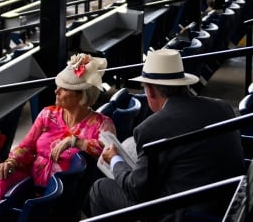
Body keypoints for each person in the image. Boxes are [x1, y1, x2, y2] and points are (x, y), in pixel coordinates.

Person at [88, 49, 244, 219]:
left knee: (100, 189)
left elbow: (136, 191)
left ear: (151, 91)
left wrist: (115, 160)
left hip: (184, 213)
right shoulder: (223, 108)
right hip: (231, 204)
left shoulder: (152, 128)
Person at [0, 54, 115, 217]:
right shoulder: (48, 114)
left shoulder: (102, 124)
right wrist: (11, 162)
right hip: (31, 180)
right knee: (0, 177)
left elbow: (109, 153)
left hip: (60, 195)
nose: (56, 91)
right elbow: (26, 147)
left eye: (63, 88)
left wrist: (75, 142)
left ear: (81, 95)